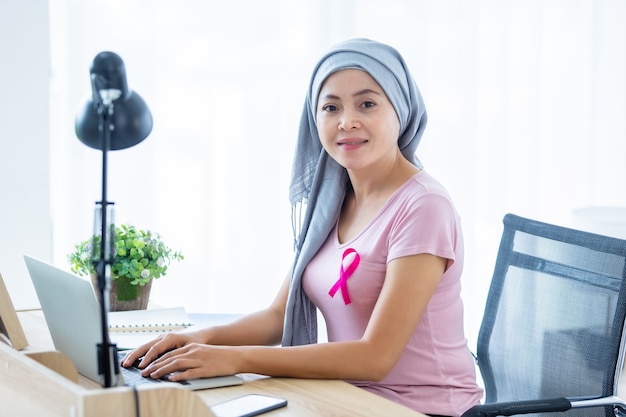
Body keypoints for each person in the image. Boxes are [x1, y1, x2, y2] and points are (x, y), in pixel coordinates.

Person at [122, 38, 483, 416]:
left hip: (425, 408)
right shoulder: (331, 203)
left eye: (367, 104)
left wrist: (234, 359)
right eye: (330, 107)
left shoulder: (423, 206)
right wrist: (196, 339)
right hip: (349, 398)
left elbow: (376, 357)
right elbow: (278, 317)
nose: (347, 121)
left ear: (402, 111)